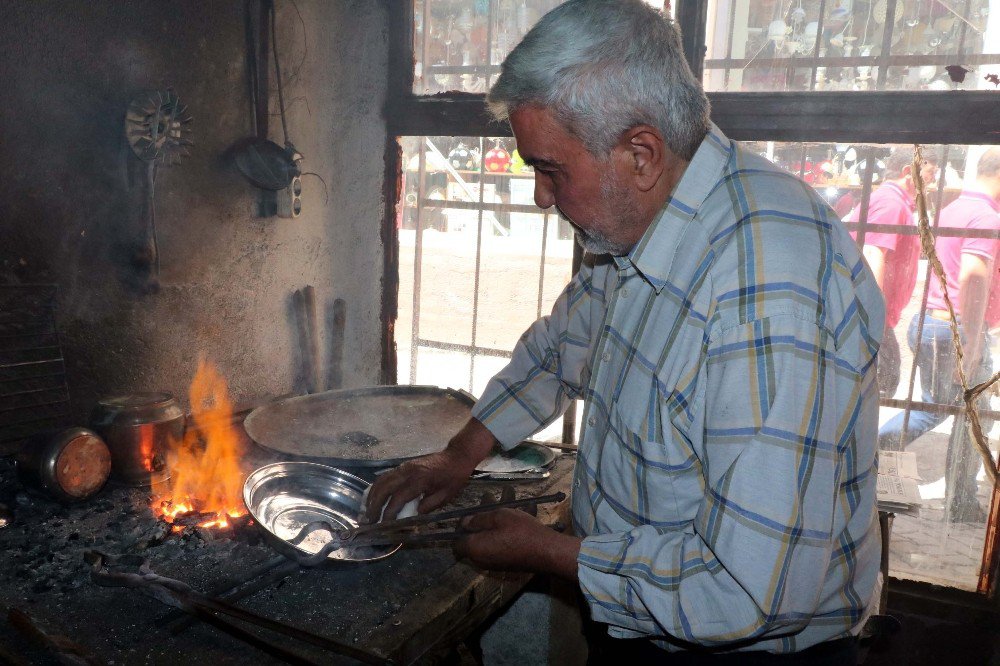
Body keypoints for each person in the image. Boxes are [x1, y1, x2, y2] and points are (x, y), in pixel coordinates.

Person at [368, 0, 884, 661]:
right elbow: (561, 348)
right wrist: (460, 453)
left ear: (640, 152)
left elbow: (750, 592)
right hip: (641, 608)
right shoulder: (646, 221)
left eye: (551, 168)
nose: (541, 198)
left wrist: (548, 553)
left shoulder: (766, 298)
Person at [879, 147, 1000, 522]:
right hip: (954, 328)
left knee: (960, 410)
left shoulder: (953, 209)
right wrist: (974, 339)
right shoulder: (985, 216)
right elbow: (973, 277)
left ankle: (960, 499)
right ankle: (869, 455)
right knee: (949, 410)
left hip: (936, 323)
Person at [846, 149, 938, 403]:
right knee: (881, 385)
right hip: (869, 316)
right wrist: (873, 319)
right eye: (930, 172)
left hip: (870, 314)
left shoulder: (891, 202)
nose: (932, 180)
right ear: (908, 173)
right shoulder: (891, 203)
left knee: (877, 387)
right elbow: (872, 254)